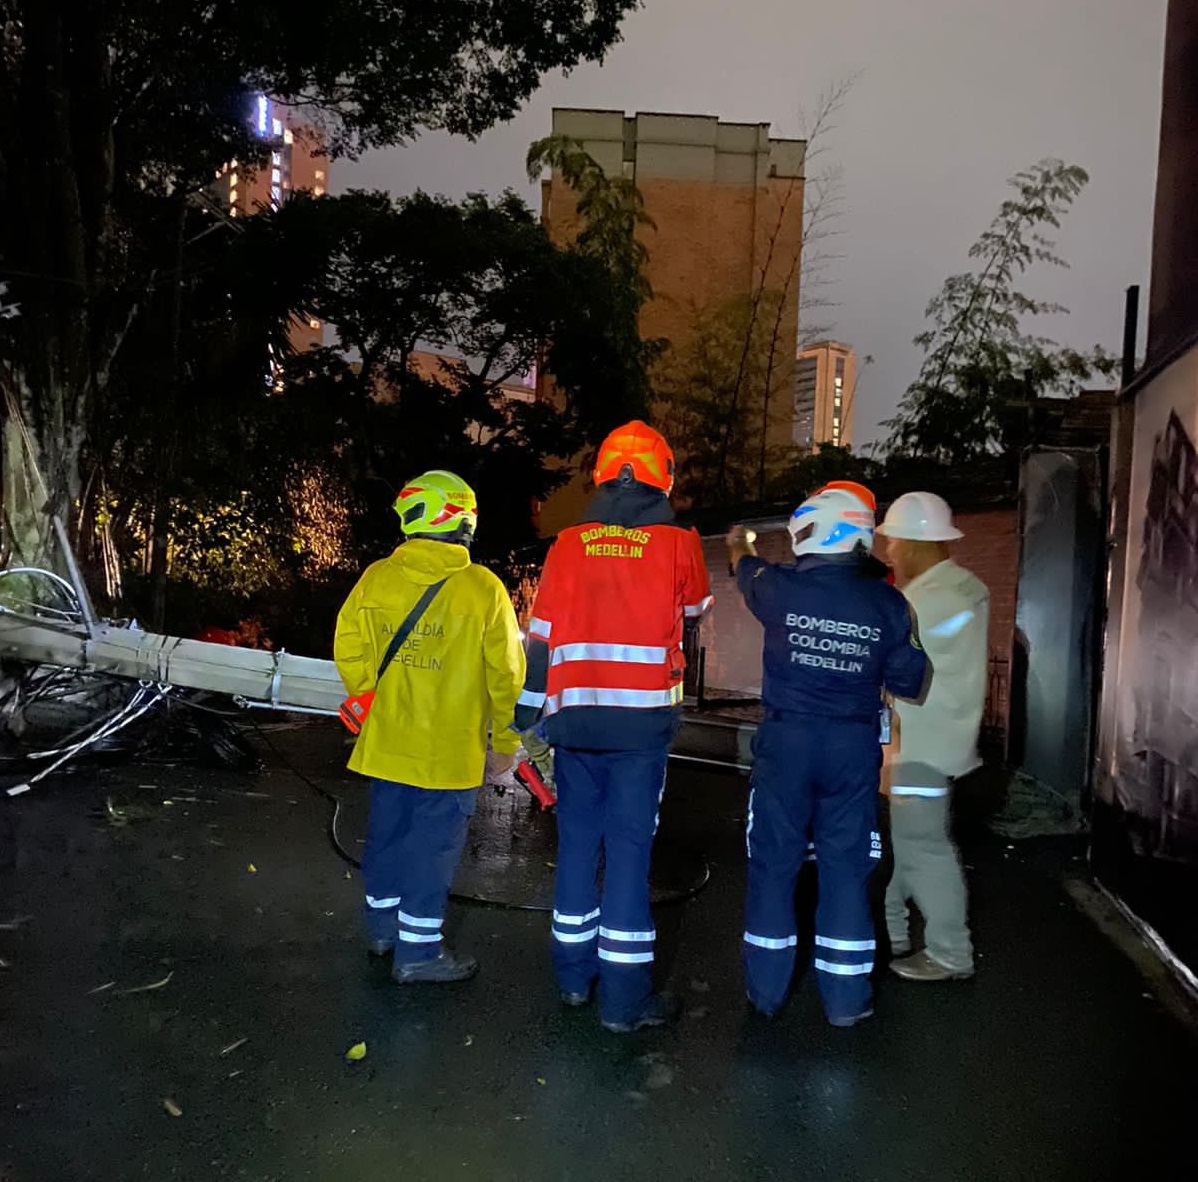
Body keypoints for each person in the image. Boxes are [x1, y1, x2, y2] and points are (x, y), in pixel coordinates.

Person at [513, 421, 713, 1033]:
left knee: (577, 849)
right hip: (641, 734)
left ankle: (573, 980)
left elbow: (540, 637)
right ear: (663, 475)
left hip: (574, 726)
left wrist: (526, 716)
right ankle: (625, 1004)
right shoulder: (680, 543)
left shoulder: (568, 544)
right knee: (628, 856)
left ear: (603, 473)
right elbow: (696, 611)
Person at [727, 484, 928, 1027]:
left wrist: (740, 542)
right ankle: (846, 1001)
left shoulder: (778, 588)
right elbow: (913, 681)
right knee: (846, 871)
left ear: (810, 531)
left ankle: (765, 994)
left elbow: (743, 566)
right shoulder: (889, 603)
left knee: (773, 866)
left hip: (786, 746)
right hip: (851, 750)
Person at [334, 470, 526, 984]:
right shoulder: (484, 589)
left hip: (387, 745)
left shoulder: (377, 577)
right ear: (464, 519)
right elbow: (508, 675)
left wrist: (369, 695)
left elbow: (349, 644)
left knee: (387, 838)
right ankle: (418, 953)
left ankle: (381, 930)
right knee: (432, 851)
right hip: (449, 754)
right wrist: (506, 742)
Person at [875, 491, 988, 982]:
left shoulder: (922, 602)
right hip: (940, 743)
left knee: (924, 848)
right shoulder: (966, 589)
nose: (890, 553)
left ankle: (949, 952)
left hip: (918, 747)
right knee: (911, 842)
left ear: (919, 543)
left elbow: (895, 674)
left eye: (895, 543)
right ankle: (895, 930)